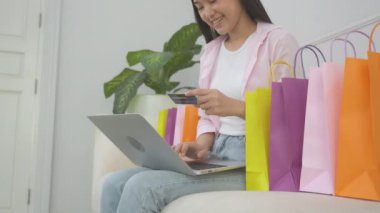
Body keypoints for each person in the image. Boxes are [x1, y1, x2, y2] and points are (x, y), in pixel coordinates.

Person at [101, 0, 299, 212]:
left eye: (213, 1)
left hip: (258, 163)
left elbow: (293, 116)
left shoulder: (278, 40)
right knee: (113, 183)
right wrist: (202, 145)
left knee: (142, 187)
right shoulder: (211, 51)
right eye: (200, 6)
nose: (207, 13)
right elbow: (207, 116)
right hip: (220, 154)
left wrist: (238, 108)